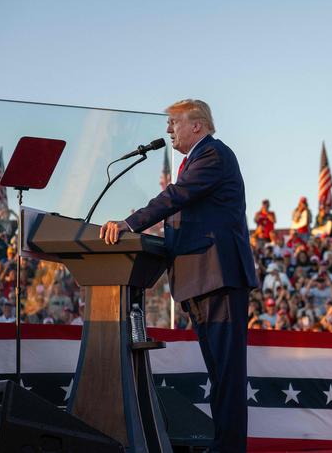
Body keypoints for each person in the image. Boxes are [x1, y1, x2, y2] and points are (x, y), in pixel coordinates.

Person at [100, 98, 258, 453]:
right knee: (219, 372)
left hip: (219, 277)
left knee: (227, 374)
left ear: (197, 125)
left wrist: (129, 223)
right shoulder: (194, 161)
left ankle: (229, 447)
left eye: (174, 122)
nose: (169, 129)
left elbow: (176, 196)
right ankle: (224, 444)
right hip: (200, 278)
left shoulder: (213, 155)